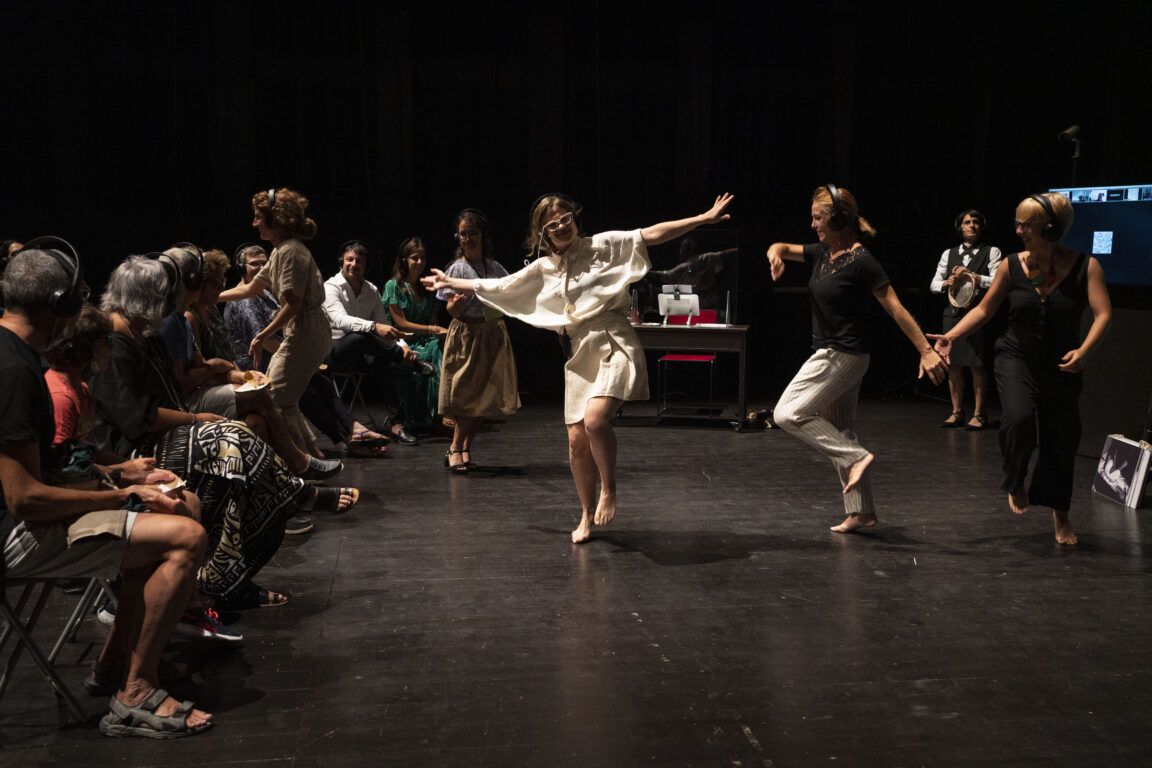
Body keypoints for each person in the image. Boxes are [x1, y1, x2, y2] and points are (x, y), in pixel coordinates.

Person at [424, 193, 734, 543]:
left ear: (574, 217)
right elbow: (499, 286)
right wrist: (451, 282)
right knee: (576, 441)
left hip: (614, 337)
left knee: (596, 420)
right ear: (542, 233)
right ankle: (586, 515)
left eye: (564, 218)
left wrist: (703, 218)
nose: (560, 226)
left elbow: (651, 234)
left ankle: (609, 488)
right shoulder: (546, 268)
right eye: (551, 224)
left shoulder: (603, 245)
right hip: (580, 348)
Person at [0, 242, 213, 738]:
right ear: (60, 306)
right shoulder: (14, 373)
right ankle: (136, 690)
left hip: (29, 518)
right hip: (15, 535)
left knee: (178, 511)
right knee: (185, 538)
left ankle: (116, 665)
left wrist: (122, 475)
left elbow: (51, 469)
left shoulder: (17, 358)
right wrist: (121, 497)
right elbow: (25, 499)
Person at [930, 192, 1111, 546]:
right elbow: (984, 310)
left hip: (1061, 364)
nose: (1019, 230)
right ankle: (1014, 478)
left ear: (1051, 227)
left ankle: (1060, 517)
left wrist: (1085, 351)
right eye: (1018, 223)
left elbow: (1103, 314)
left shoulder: (1086, 267)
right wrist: (951, 336)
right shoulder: (1010, 265)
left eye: (1026, 224)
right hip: (1016, 356)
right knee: (1018, 418)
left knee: (1061, 441)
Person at [766, 185, 947, 533]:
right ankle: (861, 511)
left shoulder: (863, 261)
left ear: (837, 219)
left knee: (786, 413)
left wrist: (925, 350)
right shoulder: (822, 252)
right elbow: (781, 246)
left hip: (841, 355)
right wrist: (774, 254)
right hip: (838, 354)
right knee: (842, 429)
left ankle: (856, 457)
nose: (813, 224)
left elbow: (896, 308)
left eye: (818, 218)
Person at [223, 244, 388, 458]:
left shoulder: (265, 293)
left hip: (277, 355)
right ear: (241, 267)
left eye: (264, 263)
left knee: (321, 381)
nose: (262, 268)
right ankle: (347, 437)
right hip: (257, 366)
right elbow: (266, 342)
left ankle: (353, 428)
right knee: (306, 389)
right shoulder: (246, 301)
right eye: (255, 264)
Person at [217, 188, 335, 459]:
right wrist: (211, 297)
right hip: (307, 328)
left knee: (273, 397)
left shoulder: (290, 252)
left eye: (258, 217)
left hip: (306, 328)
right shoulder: (282, 250)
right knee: (286, 399)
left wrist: (261, 335)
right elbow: (250, 289)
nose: (254, 223)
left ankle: (299, 463)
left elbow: (292, 305)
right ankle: (313, 456)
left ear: (274, 219)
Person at [429, 209, 520, 474]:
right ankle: (455, 447)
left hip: (491, 333)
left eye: (473, 234)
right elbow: (451, 311)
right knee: (467, 396)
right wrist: (455, 307)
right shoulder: (457, 269)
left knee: (484, 397)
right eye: (463, 234)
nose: (468, 239)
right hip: (467, 335)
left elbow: (505, 299)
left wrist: (495, 312)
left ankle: (465, 447)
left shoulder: (494, 267)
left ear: (483, 236)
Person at [322, 239, 433, 445]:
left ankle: (397, 425)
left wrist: (404, 347)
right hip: (333, 355)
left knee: (388, 363)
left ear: (366, 267)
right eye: (350, 259)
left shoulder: (371, 290)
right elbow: (340, 320)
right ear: (341, 261)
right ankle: (409, 362)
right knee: (360, 335)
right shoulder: (331, 287)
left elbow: (384, 326)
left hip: (362, 355)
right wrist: (373, 327)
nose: (354, 264)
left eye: (359, 261)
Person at [929, 210, 1002, 429]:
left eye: (976, 222)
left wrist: (973, 276)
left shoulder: (991, 252)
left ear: (982, 226)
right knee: (954, 365)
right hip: (952, 314)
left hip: (976, 314)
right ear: (960, 227)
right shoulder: (948, 253)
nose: (971, 225)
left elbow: (998, 280)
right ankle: (957, 411)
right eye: (967, 222)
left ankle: (979, 414)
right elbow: (933, 284)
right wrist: (946, 282)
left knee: (977, 364)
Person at [382, 237, 448, 431]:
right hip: (403, 342)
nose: (419, 262)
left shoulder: (426, 287)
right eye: (414, 258)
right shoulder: (393, 286)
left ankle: (442, 411)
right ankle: (427, 415)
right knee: (433, 352)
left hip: (427, 340)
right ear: (404, 260)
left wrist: (438, 333)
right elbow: (401, 323)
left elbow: (433, 320)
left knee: (443, 347)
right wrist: (432, 330)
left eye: (422, 258)